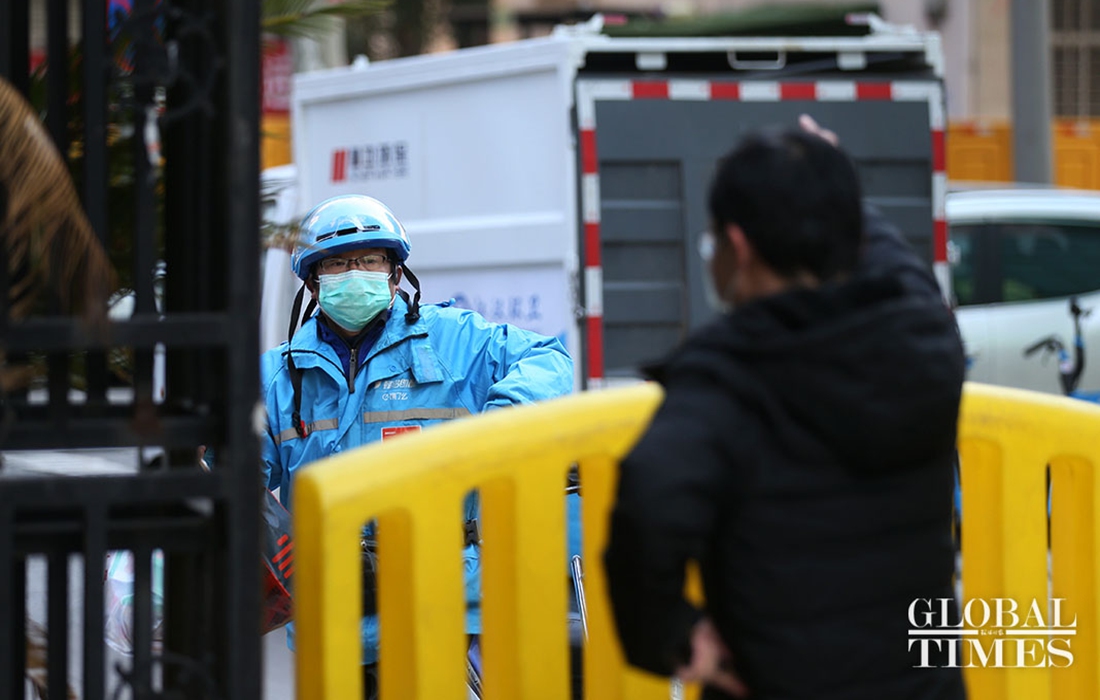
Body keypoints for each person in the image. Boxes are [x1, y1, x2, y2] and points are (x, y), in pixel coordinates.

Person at [602, 117, 967, 700]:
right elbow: (897, 270)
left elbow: (649, 503)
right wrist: (830, 191)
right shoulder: (926, 343)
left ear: (738, 246)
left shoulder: (729, 378)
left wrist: (675, 635)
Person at [259, 194, 574, 698]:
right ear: (313, 281)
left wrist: (505, 420)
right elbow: (234, 477)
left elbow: (551, 359)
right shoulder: (279, 376)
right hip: (333, 620)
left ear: (395, 273)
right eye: (337, 264)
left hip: (443, 608)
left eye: (370, 260)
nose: (354, 274)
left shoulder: (455, 341)